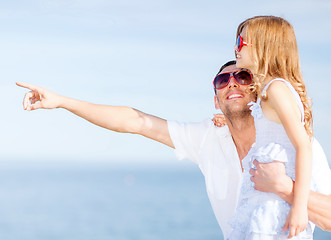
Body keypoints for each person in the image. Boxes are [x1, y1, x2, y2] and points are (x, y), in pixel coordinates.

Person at [16, 60, 331, 239]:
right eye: (223, 79)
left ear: (255, 91)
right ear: (216, 99)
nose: (232, 82)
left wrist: (285, 188)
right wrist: (61, 102)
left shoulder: (299, 145)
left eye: (242, 76)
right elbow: (135, 121)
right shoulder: (209, 138)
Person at [226, 15, 318, 240]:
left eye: (241, 42)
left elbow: (304, 147)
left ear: (263, 47)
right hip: (265, 201)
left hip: (275, 209)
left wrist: (299, 208)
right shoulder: (268, 91)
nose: (236, 48)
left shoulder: (276, 90)